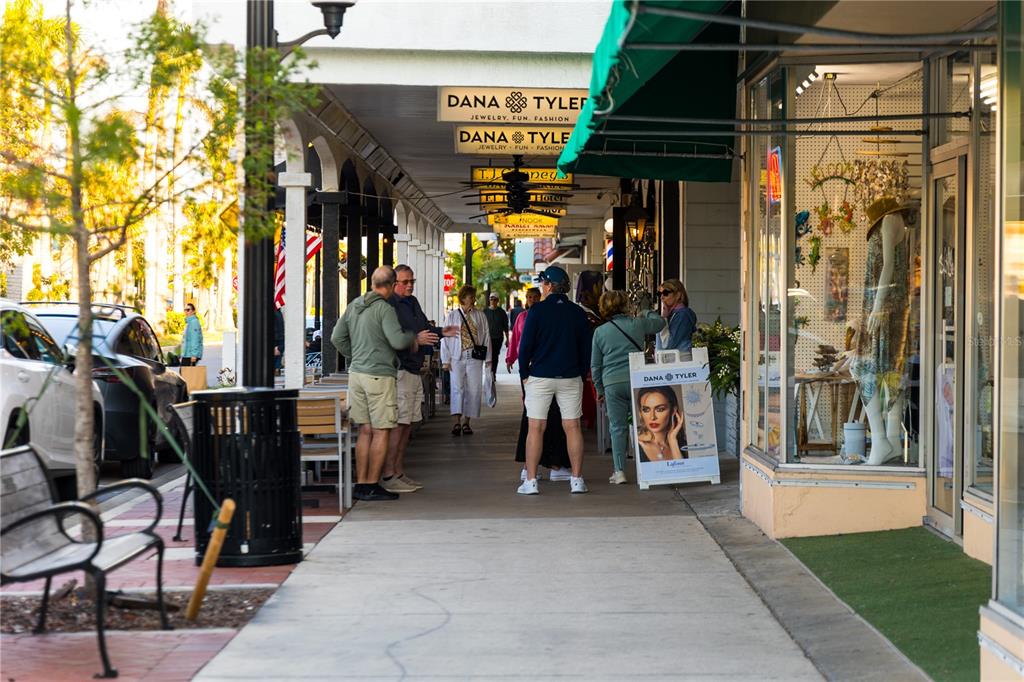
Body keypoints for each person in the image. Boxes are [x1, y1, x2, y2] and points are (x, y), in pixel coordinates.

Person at [331, 266, 418, 501]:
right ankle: (371, 484)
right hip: (379, 375)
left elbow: (336, 337)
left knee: (365, 431)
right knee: (381, 430)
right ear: (390, 286)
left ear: (372, 283)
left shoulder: (354, 306)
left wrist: (357, 355)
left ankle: (361, 483)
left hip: (356, 376)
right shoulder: (384, 309)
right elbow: (397, 340)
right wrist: (413, 336)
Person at [517, 266, 593, 495]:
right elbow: (586, 349)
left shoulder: (537, 311)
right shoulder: (578, 313)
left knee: (536, 427)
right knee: (572, 427)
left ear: (549, 285)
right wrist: (580, 372)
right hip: (570, 376)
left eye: (543, 283)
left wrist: (524, 374)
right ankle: (577, 479)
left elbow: (525, 347)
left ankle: (531, 481)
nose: (541, 287)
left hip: (540, 375)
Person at [383, 264, 455, 493]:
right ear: (394, 283)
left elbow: (425, 328)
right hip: (400, 370)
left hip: (415, 370)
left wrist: (443, 332)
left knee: (408, 425)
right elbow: (390, 339)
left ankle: (398, 471)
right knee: (398, 424)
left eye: (412, 281)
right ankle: (388, 475)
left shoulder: (412, 303)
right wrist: (416, 338)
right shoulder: (388, 305)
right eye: (405, 282)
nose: (409, 286)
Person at [591, 290, 666, 483]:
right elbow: (660, 323)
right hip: (637, 380)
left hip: (612, 384)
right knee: (645, 424)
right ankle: (652, 469)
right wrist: (646, 309)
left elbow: (595, 365)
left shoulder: (600, 332)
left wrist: (599, 389)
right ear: (625, 305)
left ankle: (619, 471)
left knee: (618, 428)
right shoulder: (637, 324)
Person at [508, 287, 572, 482]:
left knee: (545, 418)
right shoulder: (525, 317)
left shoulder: (543, 314)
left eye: (536, 297)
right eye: (529, 297)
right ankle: (531, 467)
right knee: (536, 418)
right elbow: (518, 343)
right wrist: (520, 368)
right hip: (538, 372)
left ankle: (544, 467)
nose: (532, 300)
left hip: (540, 372)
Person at [441, 285, 491, 436]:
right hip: (457, 357)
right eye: (471, 297)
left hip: (475, 357)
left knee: (474, 389)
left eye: (474, 297)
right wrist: (446, 359)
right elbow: (445, 338)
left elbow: (486, 336)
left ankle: (467, 422)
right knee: (457, 388)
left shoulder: (480, 315)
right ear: (463, 298)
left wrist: (488, 359)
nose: (474, 300)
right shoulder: (452, 315)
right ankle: (456, 421)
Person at [635, 386, 686, 462]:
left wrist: (672, 441)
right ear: (640, 413)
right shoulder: (638, 446)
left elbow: (683, 471)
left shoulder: (682, 444)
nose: (652, 417)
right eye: (646, 410)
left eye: (660, 409)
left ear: (673, 410)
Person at [655, 278, 697, 358]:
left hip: (678, 365)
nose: (662, 297)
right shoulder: (673, 314)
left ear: (678, 295)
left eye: (666, 293)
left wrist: (663, 320)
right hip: (671, 365)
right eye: (659, 294)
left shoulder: (682, 315)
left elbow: (667, 345)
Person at [483, 293, 509, 381]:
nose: (493, 301)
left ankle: (493, 373)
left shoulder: (501, 312)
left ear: (498, 301)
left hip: (498, 338)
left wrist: (508, 339)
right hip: (487, 338)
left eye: (495, 299)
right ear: (489, 300)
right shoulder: (485, 312)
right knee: (487, 356)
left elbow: (505, 326)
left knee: (495, 356)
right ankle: (488, 373)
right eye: (491, 299)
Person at [273, 306, 285, 373]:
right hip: (280, 336)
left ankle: (276, 368)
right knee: (279, 352)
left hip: (276, 336)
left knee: (277, 352)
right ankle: (277, 368)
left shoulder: (275, 313)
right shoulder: (278, 313)